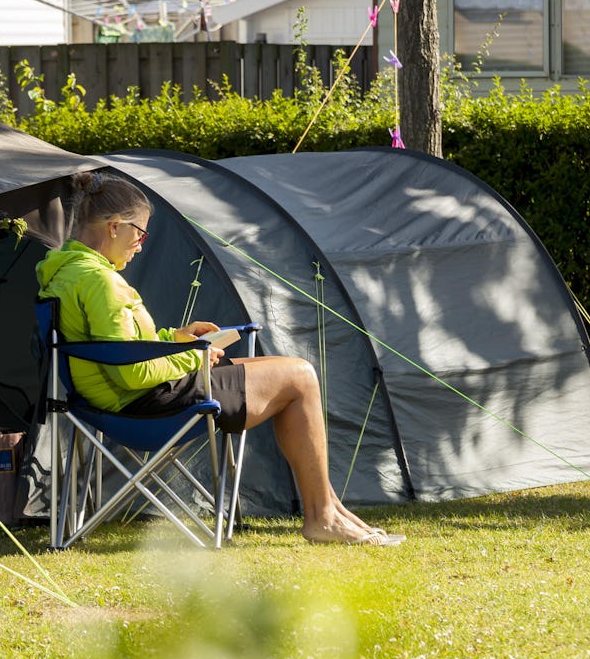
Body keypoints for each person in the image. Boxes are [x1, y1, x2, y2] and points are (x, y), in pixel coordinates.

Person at [37, 171, 404, 546]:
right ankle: (323, 516)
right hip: (142, 404)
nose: (142, 245)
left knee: (280, 369)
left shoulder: (65, 272)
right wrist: (192, 357)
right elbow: (131, 372)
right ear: (115, 226)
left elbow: (116, 346)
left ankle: (328, 508)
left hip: (110, 401)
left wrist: (175, 338)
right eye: (140, 233)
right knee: (300, 376)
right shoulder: (102, 281)